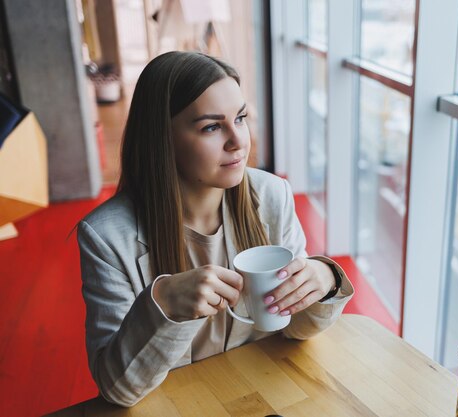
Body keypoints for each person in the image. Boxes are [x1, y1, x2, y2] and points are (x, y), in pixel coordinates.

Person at [77, 51, 354, 407]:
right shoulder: (106, 236)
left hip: (262, 393)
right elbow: (118, 390)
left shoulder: (271, 195)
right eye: (211, 126)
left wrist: (324, 279)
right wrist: (162, 305)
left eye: (240, 118)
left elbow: (295, 329)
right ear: (162, 137)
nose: (237, 141)